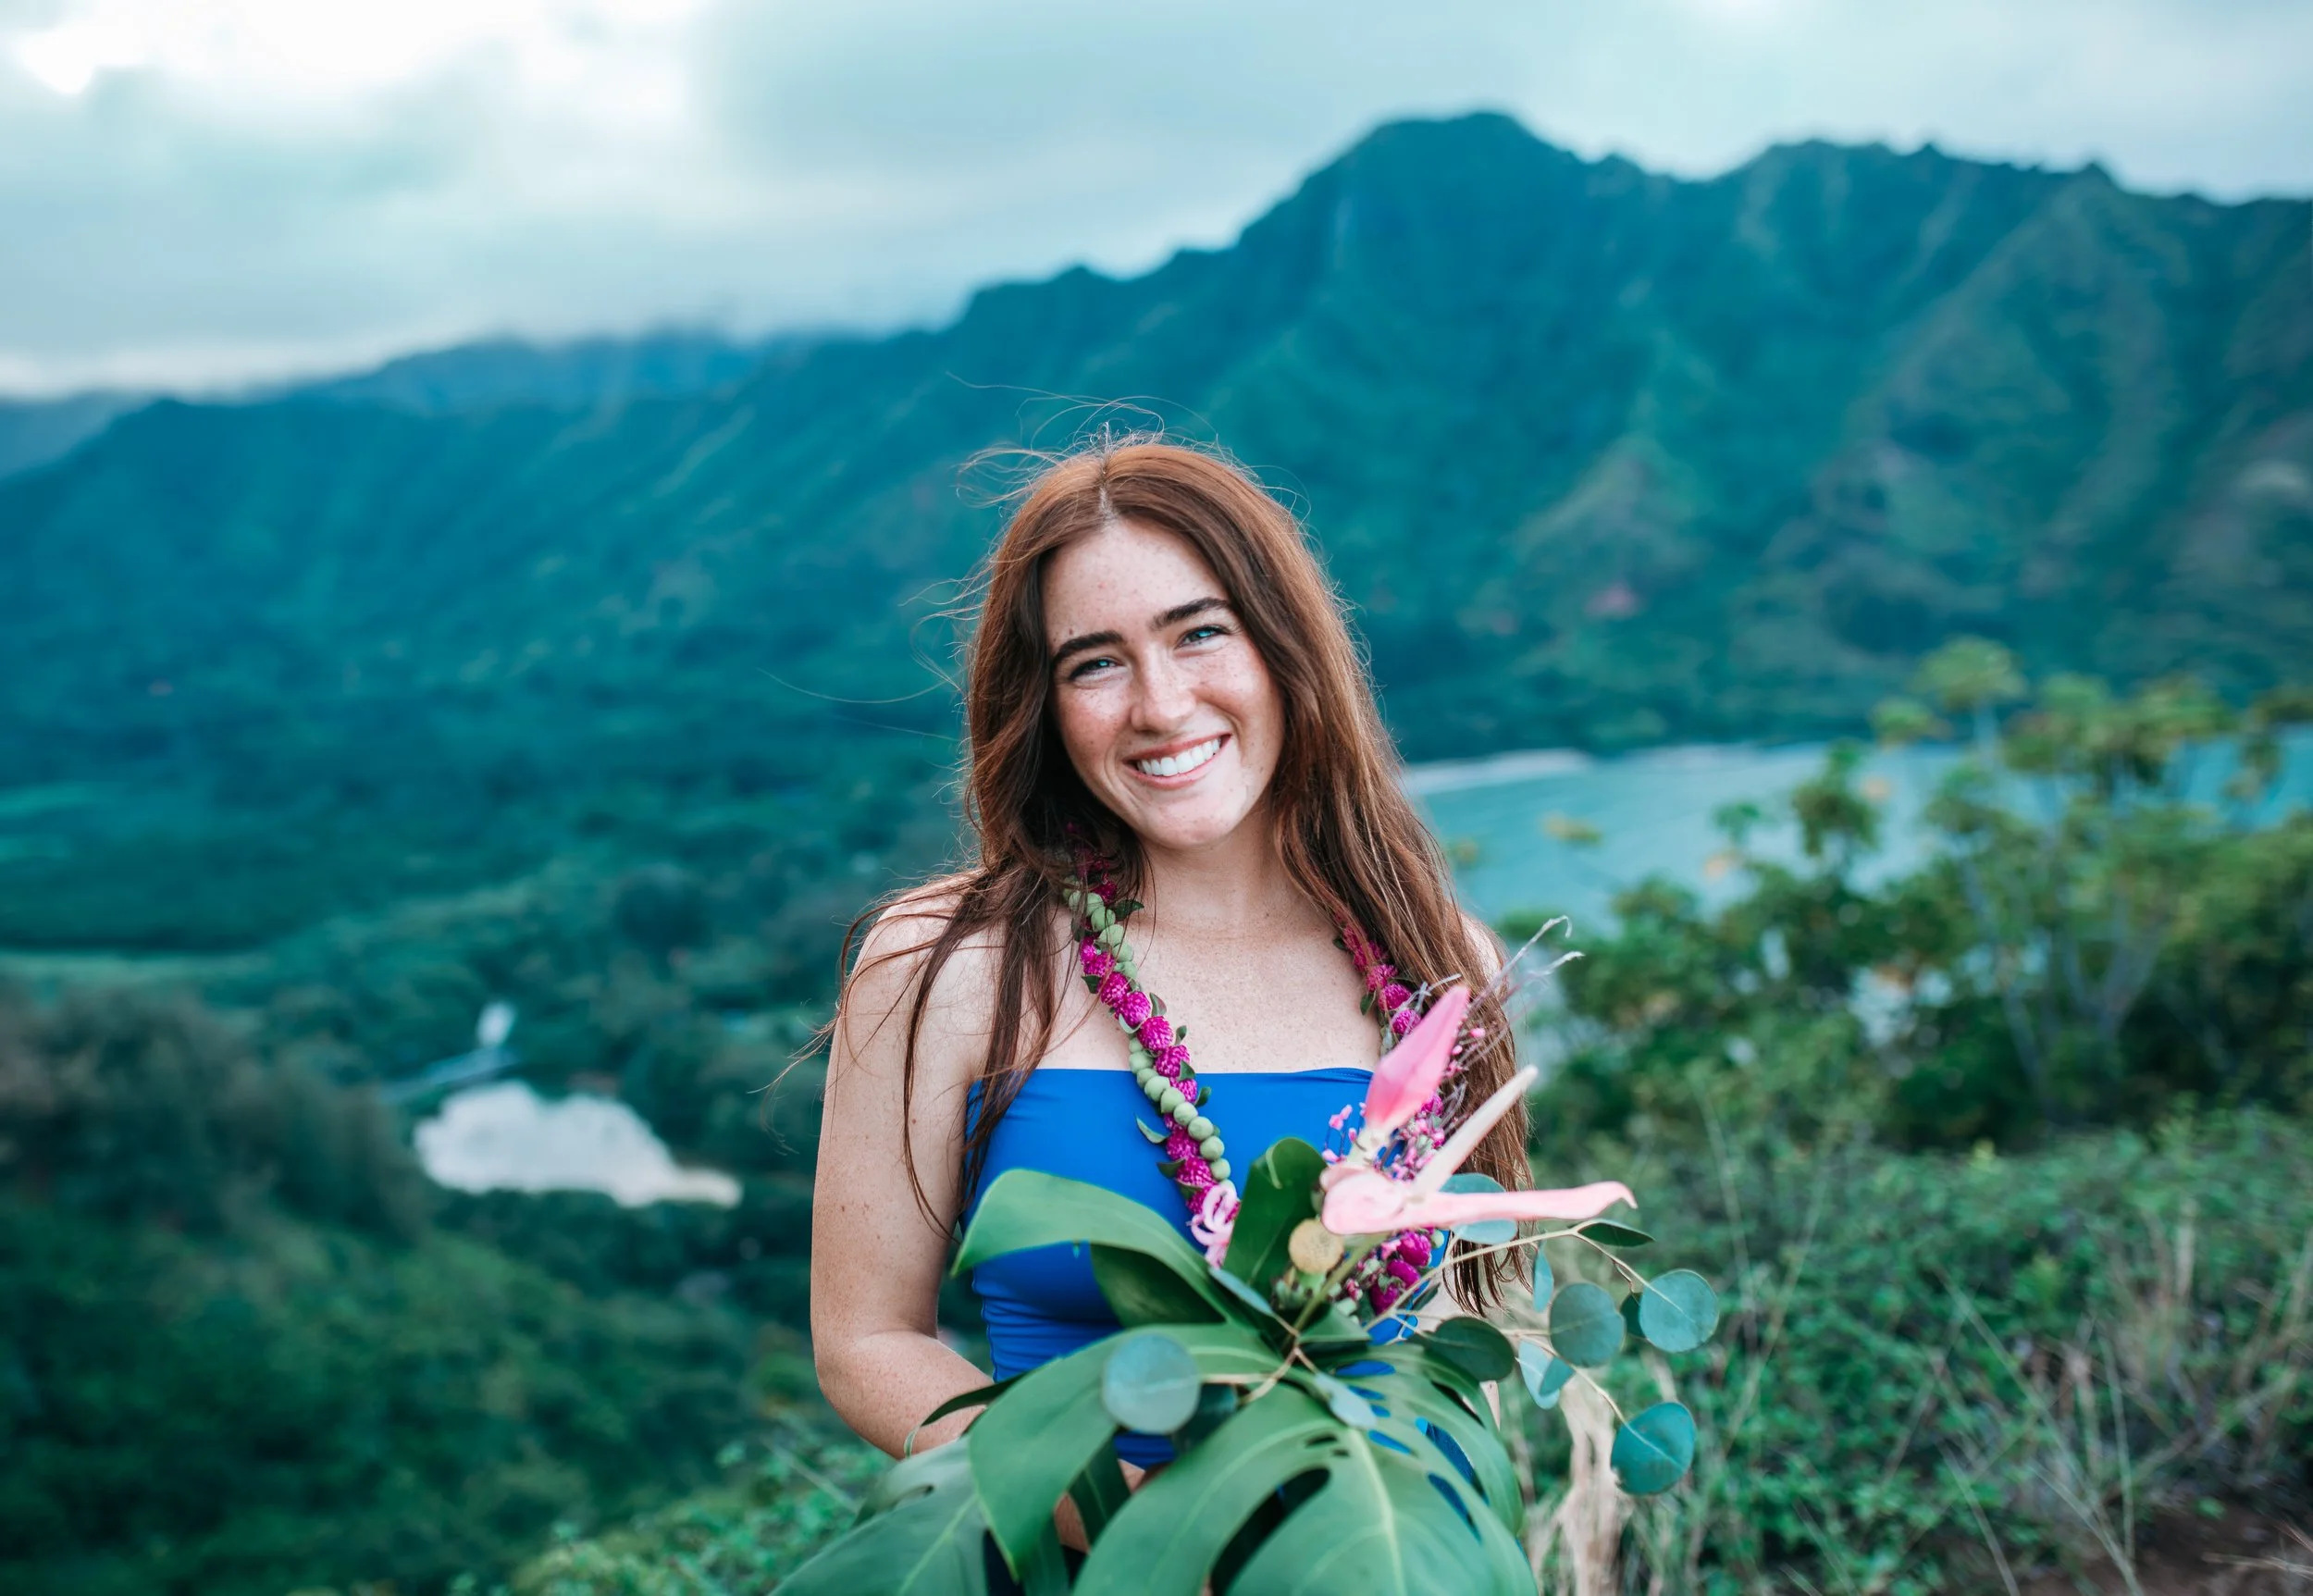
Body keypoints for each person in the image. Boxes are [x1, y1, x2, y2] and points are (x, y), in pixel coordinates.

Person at [810, 438, 1530, 1488]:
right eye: (1094, 662)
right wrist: (1145, 1536)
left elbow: (1456, 1333)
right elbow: (867, 1346)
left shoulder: (1435, 960)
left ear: (1282, 649)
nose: (1159, 704)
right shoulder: (944, 966)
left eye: (1200, 634)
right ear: (1047, 708)